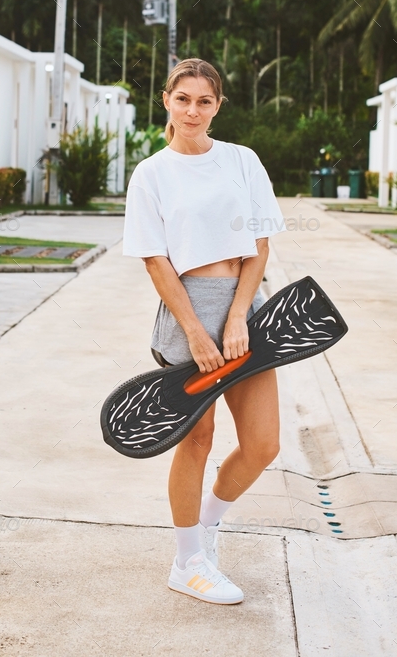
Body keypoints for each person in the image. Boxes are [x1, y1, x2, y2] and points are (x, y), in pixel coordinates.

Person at [122, 58, 287, 605]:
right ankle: (186, 560)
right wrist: (195, 331)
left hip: (243, 308)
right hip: (187, 312)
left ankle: (207, 528)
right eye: (183, 99)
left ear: (218, 106)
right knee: (196, 438)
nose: (193, 111)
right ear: (166, 100)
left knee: (263, 443)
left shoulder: (241, 161)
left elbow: (259, 245)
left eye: (205, 101)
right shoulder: (151, 173)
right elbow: (155, 261)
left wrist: (239, 313)